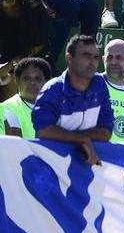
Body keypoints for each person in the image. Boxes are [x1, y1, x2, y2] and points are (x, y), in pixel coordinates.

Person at [31, 34, 112, 164]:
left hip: (87, 164)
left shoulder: (100, 85)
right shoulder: (52, 89)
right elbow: (43, 131)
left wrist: (79, 138)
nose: (92, 62)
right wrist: (81, 139)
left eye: (96, 57)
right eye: (86, 56)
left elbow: (106, 131)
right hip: (51, 165)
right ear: (69, 58)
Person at [0, 0, 52, 67]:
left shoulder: (34, 10)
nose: (4, 4)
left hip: (33, 60)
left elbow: (39, 46)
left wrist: (10, 66)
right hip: (5, 55)